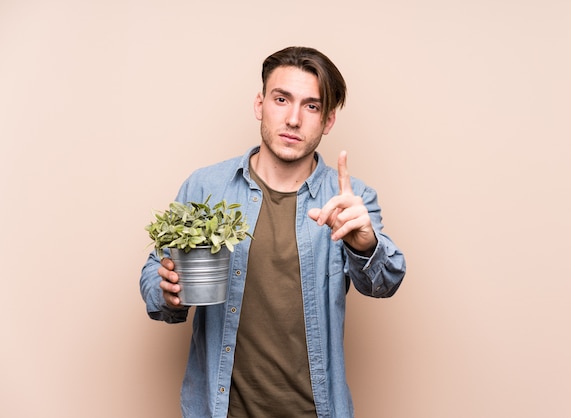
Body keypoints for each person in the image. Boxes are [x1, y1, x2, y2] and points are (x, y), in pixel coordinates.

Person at [140, 46, 406, 418]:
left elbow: (385, 283)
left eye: (311, 106)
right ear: (260, 105)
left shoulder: (351, 199)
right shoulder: (205, 187)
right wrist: (167, 292)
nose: (294, 119)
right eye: (282, 99)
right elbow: (155, 280)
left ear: (328, 121)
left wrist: (364, 244)